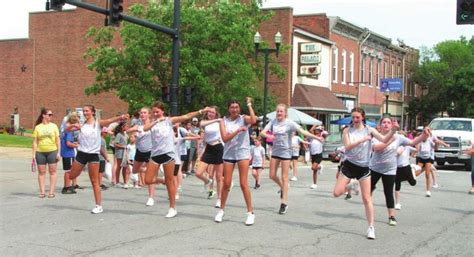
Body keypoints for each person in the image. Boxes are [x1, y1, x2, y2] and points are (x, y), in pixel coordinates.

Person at [332, 107, 399, 240]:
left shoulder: (369, 130)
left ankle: (371, 228)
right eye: (353, 117)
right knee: (336, 193)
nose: (355, 120)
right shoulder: (347, 130)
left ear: (362, 117)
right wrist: (363, 140)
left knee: (367, 198)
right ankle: (351, 186)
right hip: (349, 165)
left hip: (364, 167)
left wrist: (394, 130)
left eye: (357, 117)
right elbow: (347, 147)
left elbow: (384, 139)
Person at [143, 101, 211, 218]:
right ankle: (162, 180)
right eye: (153, 111)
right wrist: (156, 120)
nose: (155, 113)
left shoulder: (169, 121)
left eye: (157, 111)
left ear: (162, 111)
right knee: (148, 180)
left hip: (168, 154)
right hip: (155, 154)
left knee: (170, 182)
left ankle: (172, 208)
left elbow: (186, 116)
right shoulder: (152, 122)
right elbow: (145, 128)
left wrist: (201, 111)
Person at [260, 104, 323, 215]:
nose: (279, 113)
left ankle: (284, 203)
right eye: (277, 111)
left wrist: (317, 137)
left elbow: (303, 132)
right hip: (275, 151)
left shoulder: (290, 123)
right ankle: (283, 187)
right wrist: (269, 136)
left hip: (286, 152)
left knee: (285, 177)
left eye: (281, 111)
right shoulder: (273, 122)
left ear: (285, 113)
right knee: (272, 175)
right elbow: (262, 132)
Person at [67, 105, 128, 214]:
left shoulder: (98, 123)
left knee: (94, 181)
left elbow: (110, 120)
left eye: (87, 111)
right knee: (71, 176)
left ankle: (98, 206)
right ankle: (83, 166)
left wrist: (121, 117)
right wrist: (72, 126)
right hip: (81, 154)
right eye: (84, 111)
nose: (85, 113)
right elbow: (66, 130)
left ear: (92, 112)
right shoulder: (82, 124)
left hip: (93, 155)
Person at [369, 117, 429, 227]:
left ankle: (391, 216)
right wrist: (390, 140)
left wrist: (423, 135)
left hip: (390, 169)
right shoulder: (376, 136)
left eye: (389, 122)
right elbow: (377, 148)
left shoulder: (399, 137)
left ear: (392, 125)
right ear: (380, 125)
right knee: (368, 190)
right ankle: (369, 209)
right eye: (384, 122)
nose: (386, 124)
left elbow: (412, 142)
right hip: (375, 168)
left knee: (388, 192)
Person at [215, 97, 256, 225]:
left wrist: (249, 104)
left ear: (239, 108)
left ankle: (250, 213)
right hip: (229, 154)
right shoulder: (223, 121)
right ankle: (221, 210)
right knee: (226, 184)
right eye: (232, 107)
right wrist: (238, 131)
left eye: (237, 107)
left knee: (243, 183)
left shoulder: (243, 119)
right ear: (228, 109)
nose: (234, 109)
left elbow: (254, 120)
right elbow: (225, 138)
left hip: (242, 153)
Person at [195, 106, 224, 207]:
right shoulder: (205, 121)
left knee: (219, 177)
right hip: (208, 148)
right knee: (198, 173)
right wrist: (216, 119)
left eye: (212, 112)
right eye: (209, 112)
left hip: (218, 147)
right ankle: (208, 181)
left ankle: (219, 199)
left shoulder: (220, 122)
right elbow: (201, 124)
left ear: (216, 113)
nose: (210, 114)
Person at [127, 107, 156, 206]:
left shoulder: (152, 125)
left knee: (150, 178)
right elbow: (127, 131)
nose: (142, 114)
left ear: (149, 114)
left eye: (144, 113)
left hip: (150, 152)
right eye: (141, 113)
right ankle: (150, 172)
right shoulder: (138, 125)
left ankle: (151, 197)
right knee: (134, 171)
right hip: (139, 151)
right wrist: (134, 130)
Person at [32, 108, 61, 198]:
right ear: (43, 115)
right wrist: (33, 155)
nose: (51, 116)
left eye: (51, 115)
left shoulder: (54, 126)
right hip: (40, 152)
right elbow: (35, 142)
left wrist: (59, 152)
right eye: (49, 114)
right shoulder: (38, 127)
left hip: (52, 151)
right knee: (42, 172)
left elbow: (58, 140)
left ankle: (51, 192)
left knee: (52, 171)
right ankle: (42, 192)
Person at [415, 128, 449, 197]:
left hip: (429, 158)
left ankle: (428, 191)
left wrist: (443, 144)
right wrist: (414, 150)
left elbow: (436, 146)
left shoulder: (430, 139)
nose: (426, 133)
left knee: (427, 174)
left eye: (427, 131)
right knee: (416, 172)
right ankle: (423, 169)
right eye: (424, 131)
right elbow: (416, 148)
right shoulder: (419, 139)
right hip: (421, 158)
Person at [60, 112, 80, 194]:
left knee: (70, 170)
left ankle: (69, 186)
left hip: (67, 152)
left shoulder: (68, 128)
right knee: (68, 171)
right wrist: (77, 145)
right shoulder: (69, 131)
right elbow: (68, 143)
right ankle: (66, 187)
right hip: (68, 153)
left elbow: (79, 127)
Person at [394, 145, 418, 210]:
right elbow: (396, 154)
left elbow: (416, 150)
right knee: (397, 184)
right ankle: (397, 203)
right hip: (397, 167)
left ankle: (412, 169)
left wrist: (418, 143)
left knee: (413, 183)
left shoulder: (407, 147)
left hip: (406, 167)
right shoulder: (394, 146)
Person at [113, 121, 130, 188]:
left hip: (125, 153)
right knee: (119, 167)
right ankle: (117, 181)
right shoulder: (119, 134)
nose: (127, 127)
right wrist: (123, 146)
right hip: (120, 153)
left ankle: (125, 181)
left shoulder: (125, 134)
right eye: (126, 126)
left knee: (125, 167)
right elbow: (115, 144)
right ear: (122, 127)